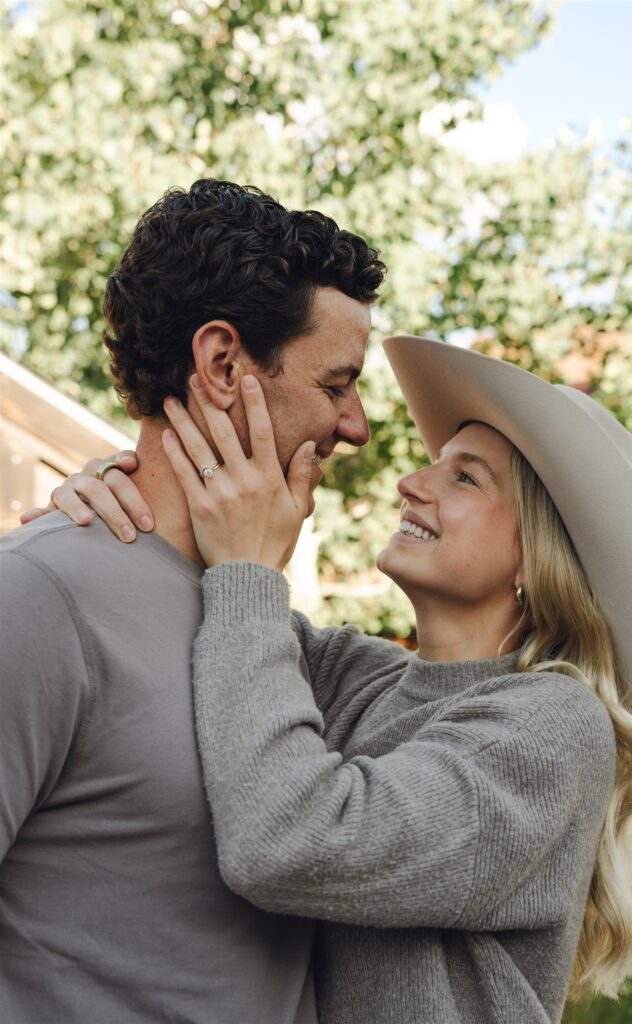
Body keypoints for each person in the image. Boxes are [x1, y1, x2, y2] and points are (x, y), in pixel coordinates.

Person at [39, 336, 632, 1023]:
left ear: (534, 557)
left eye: (464, 478)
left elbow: (286, 845)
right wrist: (122, 500)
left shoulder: (554, 726)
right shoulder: (356, 679)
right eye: (435, 465)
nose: (410, 483)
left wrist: (252, 569)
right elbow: (214, 614)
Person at [0, 178, 385, 1024]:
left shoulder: (261, 622)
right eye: (336, 384)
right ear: (222, 365)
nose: (356, 427)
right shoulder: (36, 596)